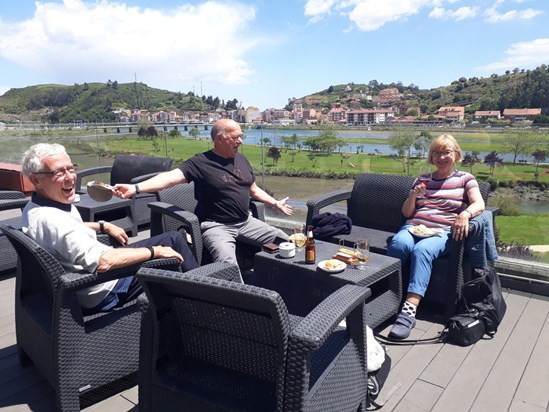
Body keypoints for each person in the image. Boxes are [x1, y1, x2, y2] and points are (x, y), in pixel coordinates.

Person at [21, 143, 198, 314]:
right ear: (36, 179)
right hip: (103, 287)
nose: (70, 177)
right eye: (58, 172)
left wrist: (101, 225)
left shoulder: (37, 207)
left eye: (71, 168)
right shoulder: (53, 219)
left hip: (86, 276)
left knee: (173, 239)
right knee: (171, 249)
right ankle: (203, 300)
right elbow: (103, 262)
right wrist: (154, 252)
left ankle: (199, 288)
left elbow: (66, 231)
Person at [113, 119, 292, 276]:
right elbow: (169, 178)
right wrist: (135, 188)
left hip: (246, 221)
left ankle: (281, 279)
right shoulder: (200, 163)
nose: (240, 141)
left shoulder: (241, 159)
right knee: (228, 265)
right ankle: (240, 304)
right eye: (236, 137)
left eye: (241, 136)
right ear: (220, 138)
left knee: (286, 242)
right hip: (216, 226)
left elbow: (253, 189)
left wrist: (274, 203)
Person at [387, 134, 485, 339]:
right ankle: (388, 293)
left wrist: (465, 214)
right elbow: (407, 213)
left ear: (456, 154)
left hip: (442, 232)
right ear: (431, 157)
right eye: (436, 153)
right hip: (414, 227)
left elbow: (479, 204)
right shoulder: (422, 180)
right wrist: (414, 195)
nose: (441, 157)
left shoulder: (465, 179)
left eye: (446, 152)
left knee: (422, 251)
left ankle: (409, 310)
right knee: (398, 243)